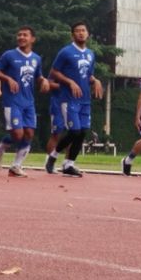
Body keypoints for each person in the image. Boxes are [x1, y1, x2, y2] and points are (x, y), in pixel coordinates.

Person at [0, 26, 50, 177]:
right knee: (18, 134)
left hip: (29, 101)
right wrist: (8, 78)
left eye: (25, 35)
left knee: (29, 133)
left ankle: (16, 166)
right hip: (12, 100)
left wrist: (43, 81)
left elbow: (38, 76)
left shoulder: (36, 58)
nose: (21, 37)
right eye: (19, 35)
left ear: (32, 39)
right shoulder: (9, 55)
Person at [46, 22, 104, 177]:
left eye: (83, 30)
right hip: (69, 98)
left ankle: (69, 164)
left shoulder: (91, 54)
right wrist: (70, 82)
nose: (81, 33)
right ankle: (53, 156)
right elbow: (54, 72)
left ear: (88, 34)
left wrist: (96, 81)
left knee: (83, 132)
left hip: (85, 99)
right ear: (72, 35)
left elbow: (88, 75)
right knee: (74, 131)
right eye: (77, 31)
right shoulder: (66, 52)